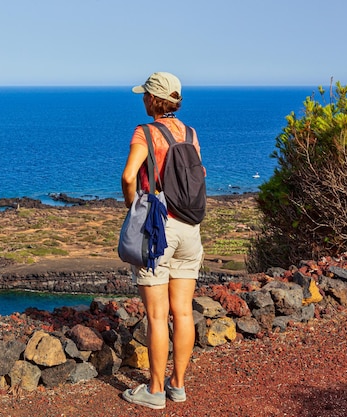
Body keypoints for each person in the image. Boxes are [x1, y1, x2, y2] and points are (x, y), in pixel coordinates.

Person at [120, 72, 204, 410]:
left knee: (157, 316)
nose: (142, 100)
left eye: (145, 96)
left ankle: (154, 391)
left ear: (153, 100)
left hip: (159, 228)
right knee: (183, 312)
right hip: (190, 230)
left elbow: (129, 175)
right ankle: (178, 385)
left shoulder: (146, 131)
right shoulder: (192, 134)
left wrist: (133, 206)